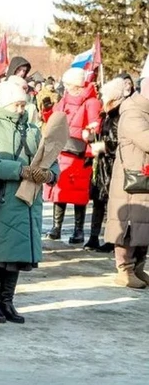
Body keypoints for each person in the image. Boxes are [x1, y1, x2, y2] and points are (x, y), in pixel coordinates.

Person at [0, 81, 59, 323]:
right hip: (1, 198)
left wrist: (50, 174)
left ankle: (7, 301)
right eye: (16, 105)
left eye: (23, 104)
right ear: (5, 104)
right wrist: (19, 170)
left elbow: (50, 158)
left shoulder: (33, 130)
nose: (21, 109)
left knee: (17, 252)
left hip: (28, 200)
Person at [44, 68, 102, 243]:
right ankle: (56, 226)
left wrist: (89, 135)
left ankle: (78, 230)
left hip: (81, 153)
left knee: (79, 193)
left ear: (77, 85)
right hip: (63, 149)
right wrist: (47, 111)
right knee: (60, 189)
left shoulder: (91, 102)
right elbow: (53, 120)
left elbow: (95, 126)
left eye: (68, 84)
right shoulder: (64, 99)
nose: (66, 87)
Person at [105, 74, 149, 289]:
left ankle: (138, 267)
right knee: (129, 226)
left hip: (142, 179)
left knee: (144, 225)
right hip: (132, 181)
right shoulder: (132, 112)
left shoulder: (143, 110)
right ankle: (125, 270)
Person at [86, 79, 125, 252]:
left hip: (112, 166)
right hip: (102, 166)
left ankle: (111, 240)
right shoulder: (106, 115)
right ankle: (94, 237)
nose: (101, 98)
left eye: (104, 95)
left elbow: (120, 142)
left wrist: (105, 146)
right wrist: (91, 136)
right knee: (98, 201)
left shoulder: (118, 116)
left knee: (111, 204)